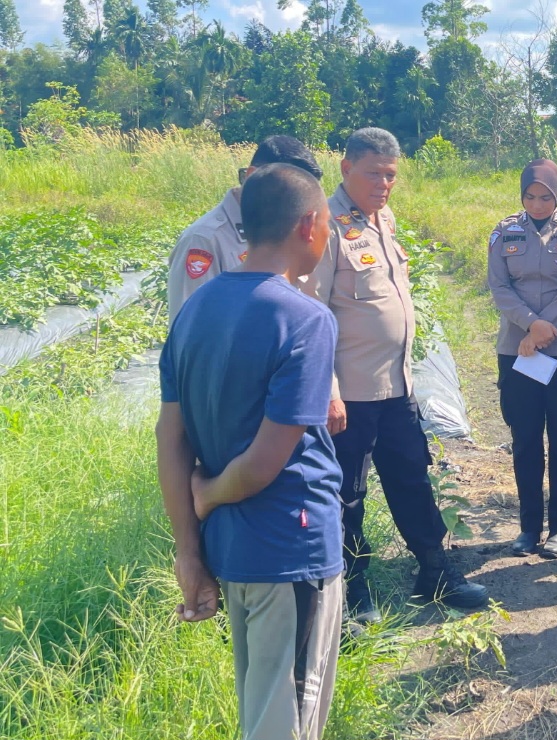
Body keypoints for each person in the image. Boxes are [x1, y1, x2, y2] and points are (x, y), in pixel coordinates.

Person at [157, 163, 342, 740]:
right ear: (308, 225)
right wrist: (208, 493)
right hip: (291, 546)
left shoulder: (196, 309)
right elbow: (266, 464)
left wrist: (188, 548)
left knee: (260, 707)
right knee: (286, 721)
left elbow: (170, 436)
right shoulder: (304, 318)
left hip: (233, 551)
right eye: (328, 225)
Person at [301, 127, 488, 625]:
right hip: (352, 395)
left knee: (412, 479)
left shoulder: (384, 219)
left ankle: (435, 572)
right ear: (345, 169)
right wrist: (330, 391)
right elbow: (314, 313)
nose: (384, 184)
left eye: (391, 175)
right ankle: (354, 591)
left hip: (396, 386)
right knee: (348, 495)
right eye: (373, 173)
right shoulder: (328, 227)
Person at [488, 159, 557, 559]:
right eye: (530, 196)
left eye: (545, 196)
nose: (537, 204)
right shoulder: (504, 231)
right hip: (519, 350)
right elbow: (499, 286)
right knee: (525, 440)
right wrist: (531, 325)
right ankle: (528, 529)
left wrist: (547, 325)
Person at [166, 135, 324, 321]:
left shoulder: (291, 229)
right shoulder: (204, 240)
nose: (292, 205)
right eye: (285, 192)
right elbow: (189, 329)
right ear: (251, 177)